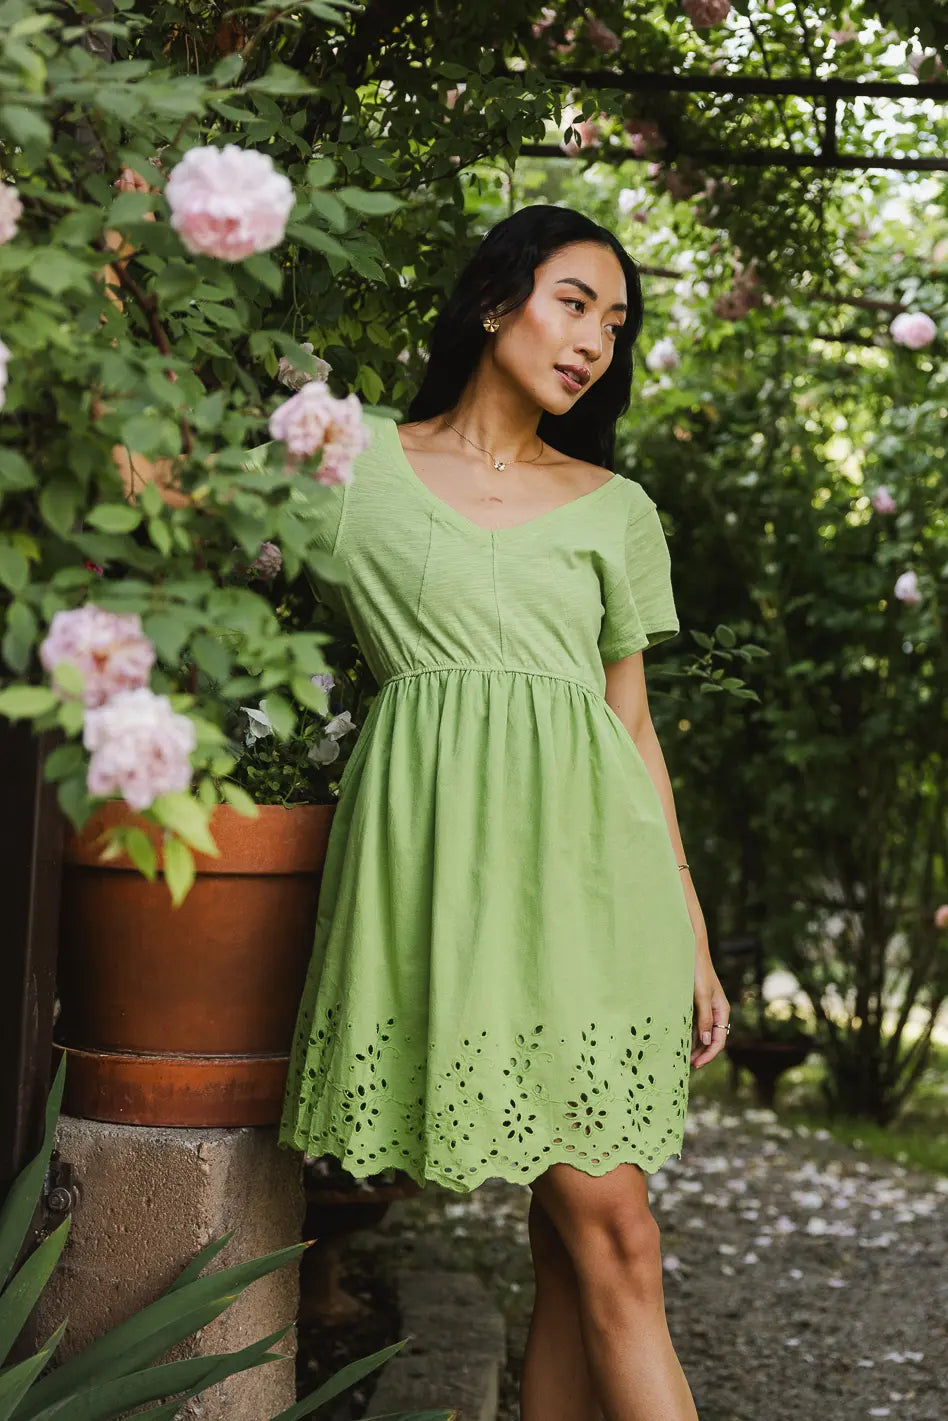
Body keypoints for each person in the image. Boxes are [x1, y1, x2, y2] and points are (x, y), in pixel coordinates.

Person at [279, 203, 730, 1421]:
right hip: (460, 892)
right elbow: (180, 514)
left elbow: (632, 729)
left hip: (602, 900)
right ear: (495, 301)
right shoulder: (353, 462)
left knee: (609, 1242)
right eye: (574, 301)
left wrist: (688, 931)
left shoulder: (614, 507)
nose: (594, 341)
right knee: (572, 1246)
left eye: (616, 324)